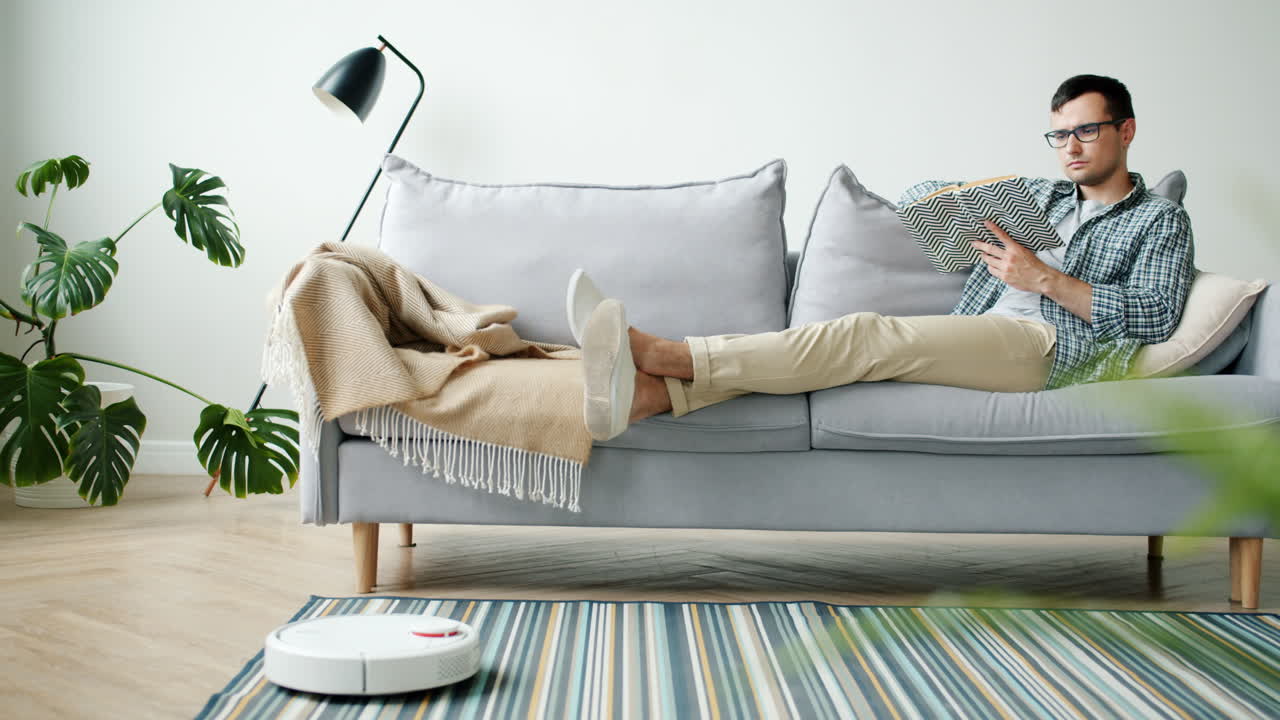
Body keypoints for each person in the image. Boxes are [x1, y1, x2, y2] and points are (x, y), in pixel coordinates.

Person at [573, 74, 1196, 442]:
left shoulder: (1159, 219)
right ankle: (652, 398)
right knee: (837, 359)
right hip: (987, 330)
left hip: (1050, 349)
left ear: (1125, 131)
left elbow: (1156, 315)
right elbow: (921, 193)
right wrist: (963, 207)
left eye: (1086, 130)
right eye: (1059, 134)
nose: (1071, 147)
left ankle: (666, 355)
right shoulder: (1045, 196)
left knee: (865, 335)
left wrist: (1044, 279)